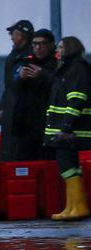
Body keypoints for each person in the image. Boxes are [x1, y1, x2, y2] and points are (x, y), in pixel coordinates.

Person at [45, 36, 91, 221]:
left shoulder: (76, 68)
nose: (58, 50)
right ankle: (73, 206)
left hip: (69, 131)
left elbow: (76, 99)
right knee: (69, 168)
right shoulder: (68, 69)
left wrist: (66, 127)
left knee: (67, 167)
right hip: (66, 130)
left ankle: (78, 206)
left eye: (62, 47)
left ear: (70, 48)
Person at [11, 29, 57, 160]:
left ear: (51, 45)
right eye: (35, 44)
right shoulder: (25, 61)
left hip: (48, 121)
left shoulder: (57, 63)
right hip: (26, 122)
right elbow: (12, 87)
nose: (38, 48)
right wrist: (20, 77)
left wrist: (42, 75)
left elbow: (60, 87)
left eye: (42, 44)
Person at [0, 20, 34, 161]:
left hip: (25, 114)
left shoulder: (31, 55)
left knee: (21, 153)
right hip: (10, 111)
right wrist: (2, 107)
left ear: (22, 35)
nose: (11, 37)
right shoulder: (13, 55)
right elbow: (8, 85)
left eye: (13, 33)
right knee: (8, 152)